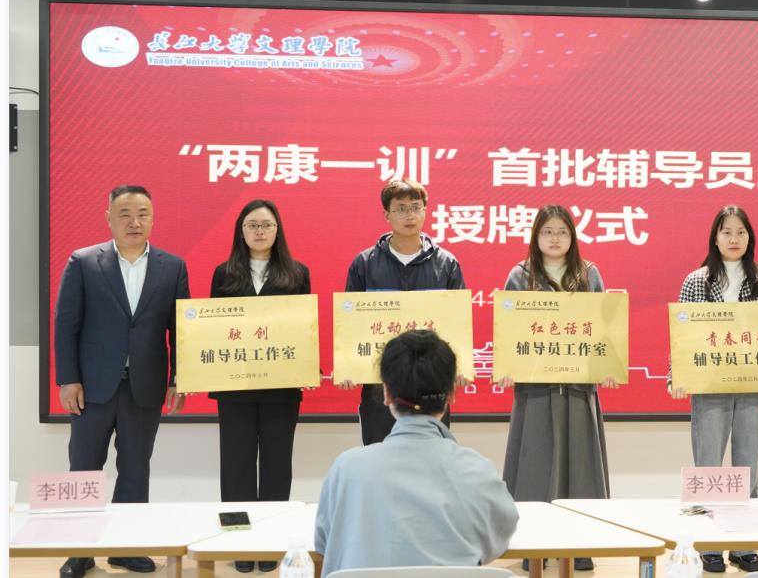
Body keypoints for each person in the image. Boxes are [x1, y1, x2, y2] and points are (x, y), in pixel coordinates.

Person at [54, 185, 190, 578]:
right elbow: (66, 325)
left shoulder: (172, 266)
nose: (134, 222)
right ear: (109, 218)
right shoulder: (84, 261)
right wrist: (68, 379)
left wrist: (178, 378)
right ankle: (79, 551)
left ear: (153, 218)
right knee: (84, 467)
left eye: (143, 213)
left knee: (135, 467)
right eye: (125, 214)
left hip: (144, 385)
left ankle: (126, 547)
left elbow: (180, 329)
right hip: (92, 386)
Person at [667, 205, 758, 574]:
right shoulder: (696, 281)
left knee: (748, 467)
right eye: (727, 232)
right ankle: (708, 545)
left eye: (741, 232)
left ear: (750, 238)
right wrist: (675, 375)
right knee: (708, 468)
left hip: (752, 384)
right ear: (715, 238)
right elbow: (682, 335)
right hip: (708, 385)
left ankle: (744, 545)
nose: (734, 239)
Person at [315, 329, 518, 572]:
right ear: (452, 395)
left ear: (386, 394)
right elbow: (500, 536)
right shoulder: (476, 469)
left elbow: (324, 542)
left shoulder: (346, 469)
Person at [499, 205, 616, 572]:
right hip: (535, 386)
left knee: (582, 464)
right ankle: (534, 545)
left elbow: (605, 327)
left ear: (572, 236)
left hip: (578, 385)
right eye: (547, 231)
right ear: (536, 236)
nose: (555, 238)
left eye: (562, 232)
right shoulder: (520, 275)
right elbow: (508, 329)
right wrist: (506, 366)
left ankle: (582, 545)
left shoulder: (588, 273)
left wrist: (608, 365)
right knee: (533, 464)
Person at [208, 200, 311, 574]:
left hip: (281, 387)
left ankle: (270, 546)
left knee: (276, 467)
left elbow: (305, 328)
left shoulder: (297, 273)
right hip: (234, 387)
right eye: (252, 225)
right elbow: (212, 329)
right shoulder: (224, 274)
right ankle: (239, 543)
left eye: (266, 225)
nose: (259, 231)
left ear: (277, 230)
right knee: (234, 468)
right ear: (241, 231)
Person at [341, 178, 466, 445]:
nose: (409, 215)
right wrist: (348, 364)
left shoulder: (447, 264)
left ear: (425, 211)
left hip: (432, 384)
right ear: (386, 214)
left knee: (430, 460)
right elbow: (351, 323)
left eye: (415, 207)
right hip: (380, 385)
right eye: (400, 208)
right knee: (379, 457)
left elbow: (458, 323)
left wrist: (460, 365)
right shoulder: (364, 263)